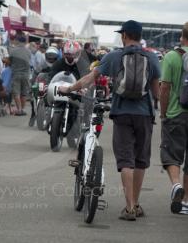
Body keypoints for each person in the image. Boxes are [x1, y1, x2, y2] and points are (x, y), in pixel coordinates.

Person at [59, 20, 160, 221]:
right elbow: (156, 91)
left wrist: (68, 89)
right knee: (140, 161)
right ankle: (135, 204)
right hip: (145, 115)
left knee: (126, 161)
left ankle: (129, 207)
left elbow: (89, 78)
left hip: (122, 113)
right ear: (139, 36)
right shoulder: (152, 57)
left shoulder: (114, 56)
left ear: (124, 36)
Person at [160, 21, 188, 215]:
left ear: (182, 36)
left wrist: (163, 112)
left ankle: (176, 185)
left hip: (176, 113)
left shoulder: (171, 56)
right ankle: (186, 201)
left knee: (171, 154)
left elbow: (165, 88)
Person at [9, 35, 31, 116]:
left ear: (18, 41)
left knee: (16, 92)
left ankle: (19, 109)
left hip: (16, 74)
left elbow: (10, 62)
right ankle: (23, 109)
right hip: (26, 74)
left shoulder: (13, 51)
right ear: (25, 42)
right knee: (24, 93)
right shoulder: (28, 51)